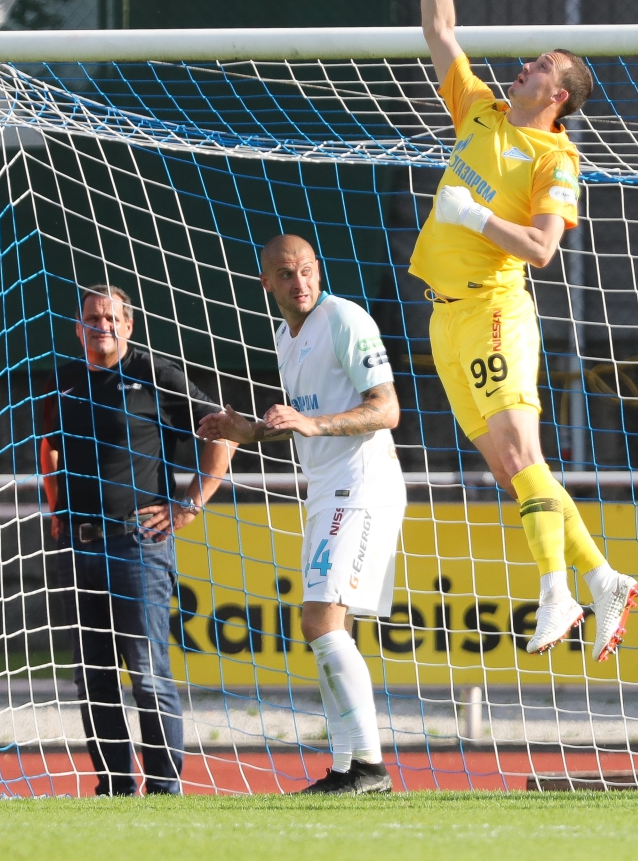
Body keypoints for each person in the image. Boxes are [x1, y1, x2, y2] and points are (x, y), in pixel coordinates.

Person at [412, 0, 636, 659]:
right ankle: (601, 577)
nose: (525, 67)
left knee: (521, 457)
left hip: (496, 310)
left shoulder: (555, 158)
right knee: (514, 466)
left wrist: (474, 215)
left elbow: (542, 249)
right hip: (445, 319)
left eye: (540, 65)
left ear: (561, 94)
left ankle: (557, 591)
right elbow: (441, 35)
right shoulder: (480, 111)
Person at [198, 235, 403, 795]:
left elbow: (387, 409)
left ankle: (372, 768)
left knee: (319, 623)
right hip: (327, 490)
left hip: (363, 485)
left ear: (320, 271)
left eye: (308, 270)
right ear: (267, 283)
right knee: (329, 628)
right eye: (287, 274)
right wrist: (248, 431)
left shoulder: (343, 316)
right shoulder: (287, 338)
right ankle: (345, 768)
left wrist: (313, 425)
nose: (301, 282)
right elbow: (296, 420)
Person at [40, 284, 235, 796]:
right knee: (94, 676)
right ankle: (114, 789)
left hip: (137, 545)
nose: (101, 325)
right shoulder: (63, 382)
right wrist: (55, 499)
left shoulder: (157, 375)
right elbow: (50, 447)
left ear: (127, 326)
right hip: (77, 548)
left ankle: (166, 789)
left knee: (147, 674)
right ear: (78, 327)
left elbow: (226, 432)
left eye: (111, 317)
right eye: (92, 317)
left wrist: (190, 504)